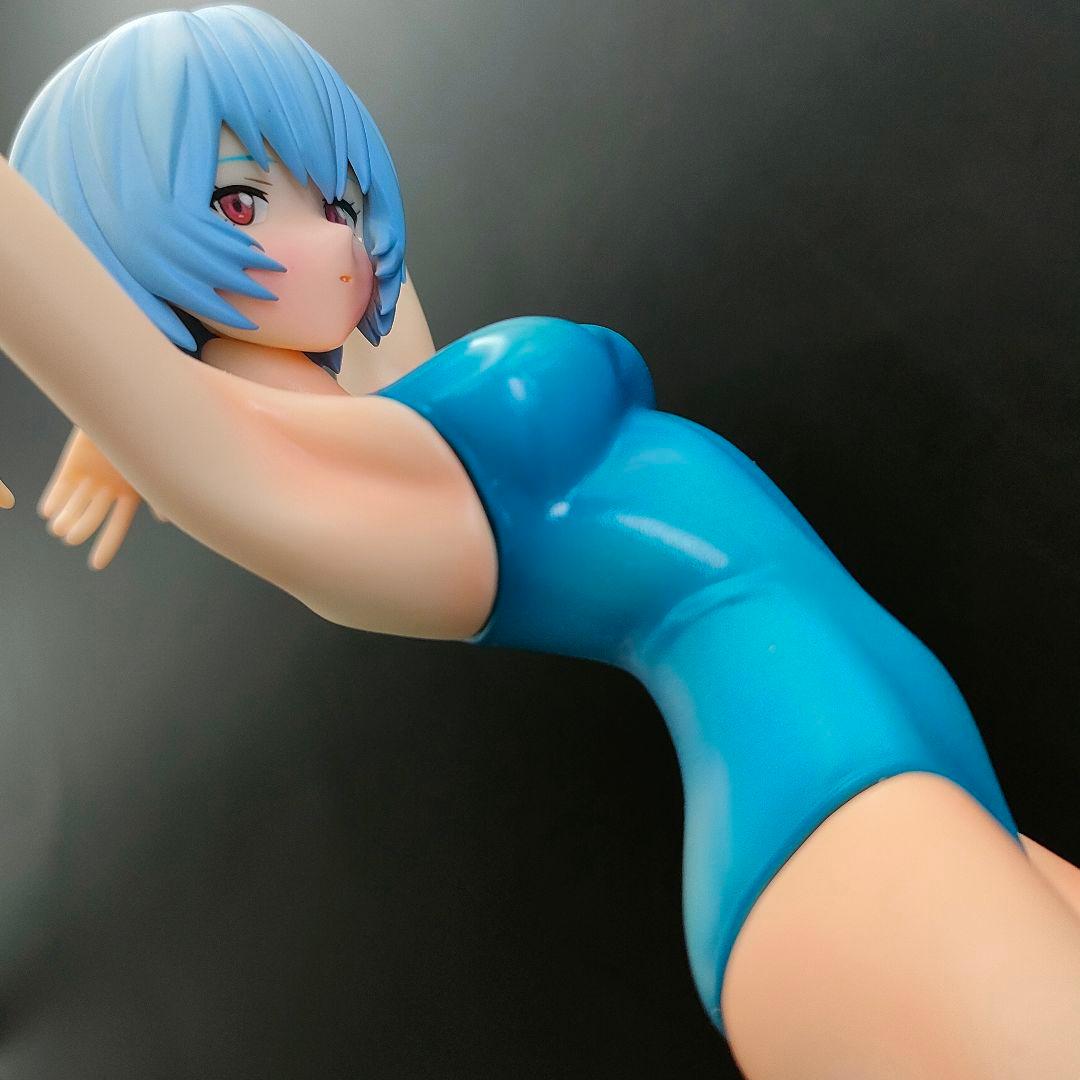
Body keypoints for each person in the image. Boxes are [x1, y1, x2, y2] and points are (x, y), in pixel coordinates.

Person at [1, 8, 1079, 1076]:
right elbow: (64, 301)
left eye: (335, 196)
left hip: (914, 764)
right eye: (239, 202)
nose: (334, 239)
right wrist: (133, 393)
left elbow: (341, 331)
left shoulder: (379, 403)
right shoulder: (340, 489)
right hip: (828, 809)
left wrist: (136, 399)